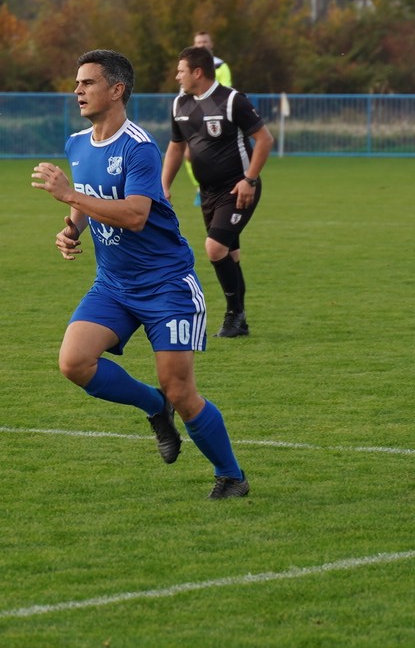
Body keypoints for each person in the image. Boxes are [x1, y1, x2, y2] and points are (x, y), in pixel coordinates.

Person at [31, 49, 249, 499]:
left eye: (87, 83)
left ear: (116, 90)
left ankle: (231, 476)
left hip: (166, 285)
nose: (78, 91)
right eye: (76, 83)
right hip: (113, 284)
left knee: (182, 390)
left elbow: (133, 215)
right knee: (73, 362)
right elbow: (92, 202)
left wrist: (71, 197)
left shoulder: (139, 148)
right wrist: (71, 228)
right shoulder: (77, 144)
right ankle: (153, 407)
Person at [161, 45, 274, 339]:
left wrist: (249, 180)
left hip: (238, 188)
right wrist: (164, 185)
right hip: (208, 192)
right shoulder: (180, 105)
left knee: (215, 248)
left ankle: (234, 315)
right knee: (230, 254)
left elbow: (264, 140)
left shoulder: (232, 100)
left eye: (181, 71)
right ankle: (239, 320)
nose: (177, 76)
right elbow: (176, 147)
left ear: (198, 72)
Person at [182, 31, 233, 206]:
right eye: (198, 42)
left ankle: (222, 189)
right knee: (188, 154)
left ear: (211, 45)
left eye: (205, 42)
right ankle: (199, 188)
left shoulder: (220, 66)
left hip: (215, 117)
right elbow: (185, 94)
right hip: (193, 118)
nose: (202, 45)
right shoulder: (186, 68)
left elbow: (224, 93)